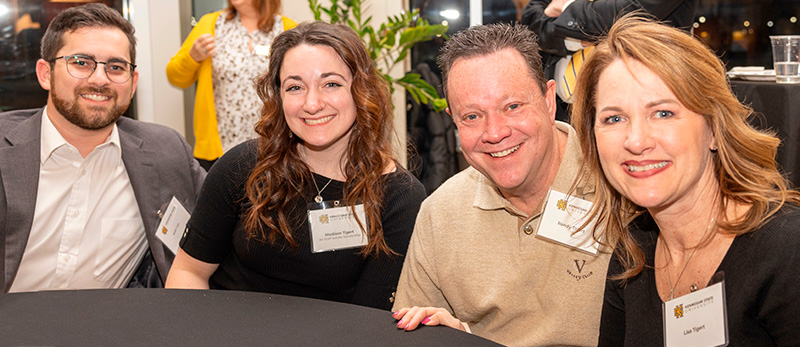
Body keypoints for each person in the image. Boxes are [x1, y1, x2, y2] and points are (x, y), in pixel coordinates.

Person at [570, 15, 800, 346]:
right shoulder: (633, 251)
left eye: (663, 113)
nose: (636, 140)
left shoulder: (786, 251)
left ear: (714, 130)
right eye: (614, 118)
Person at [165, 22, 427, 311]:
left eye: (331, 84)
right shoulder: (242, 167)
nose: (312, 104)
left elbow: (370, 319)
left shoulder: (399, 197)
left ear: (361, 90)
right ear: (279, 96)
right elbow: (188, 273)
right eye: (295, 87)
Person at [391, 23, 611, 346]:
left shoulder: (617, 186)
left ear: (549, 101)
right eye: (472, 117)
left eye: (512, 107)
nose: (495, 133)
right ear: (453, 120)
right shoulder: (439, 214)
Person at [0, 3, 206, 292]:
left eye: (116, 67)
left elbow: (231, 226)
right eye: (81, 62)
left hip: (104, 331)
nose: (99, 79)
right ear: (46, 73)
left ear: (132, 83)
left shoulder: (166, 151)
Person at [166, 0, 296, 170]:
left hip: (273, 145)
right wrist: (192, 57)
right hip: (220, 149)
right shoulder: (211, 24)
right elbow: (175, 77)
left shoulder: (286, 28)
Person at [521, 0, 697, 120]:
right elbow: (530, 19)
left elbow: (636, 10)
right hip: (562, 112)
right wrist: (576, 40)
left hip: (645, 102)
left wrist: (567, 6)